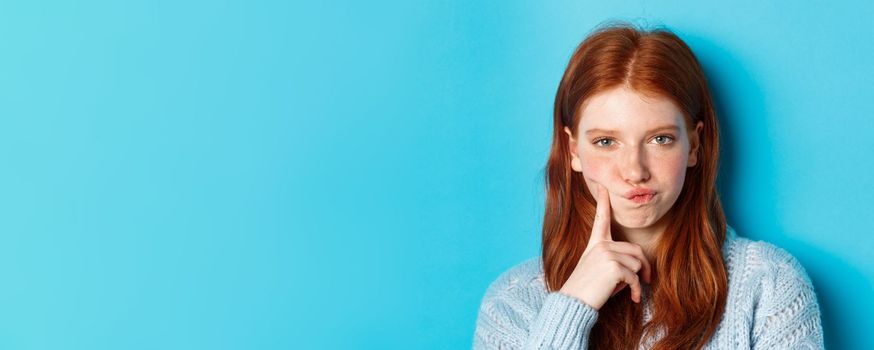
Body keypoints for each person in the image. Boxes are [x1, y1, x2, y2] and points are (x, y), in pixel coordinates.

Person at [472, 23, 825, 350]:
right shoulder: (513, 303)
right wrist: (571, 307)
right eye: (606, 142)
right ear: (573, 151)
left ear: (695, 146)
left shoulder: (768, 285)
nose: (634, 171)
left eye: (660, 139)